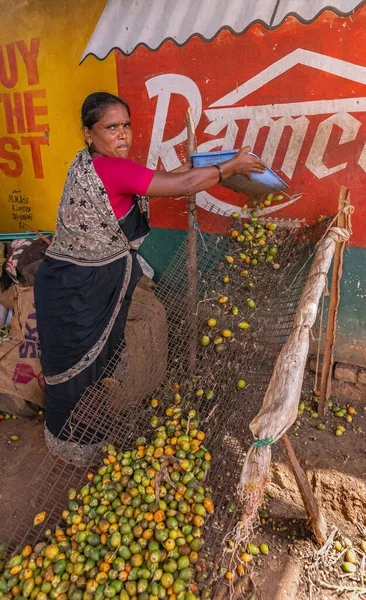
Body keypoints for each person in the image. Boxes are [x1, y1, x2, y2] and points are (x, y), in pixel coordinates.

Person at [34, 91, 265, 462]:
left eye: (126, 125)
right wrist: (229, 168)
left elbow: (160, 180)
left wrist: (208, 170)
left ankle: (79, 432)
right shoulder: (111, 169)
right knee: (79, 366)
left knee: (82, 362)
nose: (123, 134)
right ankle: (78, 445)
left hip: (64, 285)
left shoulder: (88, 164)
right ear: (88, 134)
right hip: (81, 289)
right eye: (111, 127)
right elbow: (183, 185)